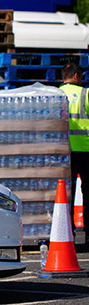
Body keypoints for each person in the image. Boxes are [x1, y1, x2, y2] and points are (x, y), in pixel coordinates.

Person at [60, 62, 89, 234]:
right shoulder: (85, 94)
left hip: (63, 153)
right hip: (86, 151)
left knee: (65, 194)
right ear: (77, 76)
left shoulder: (56, 94)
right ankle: (88, 236)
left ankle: (66, 232)